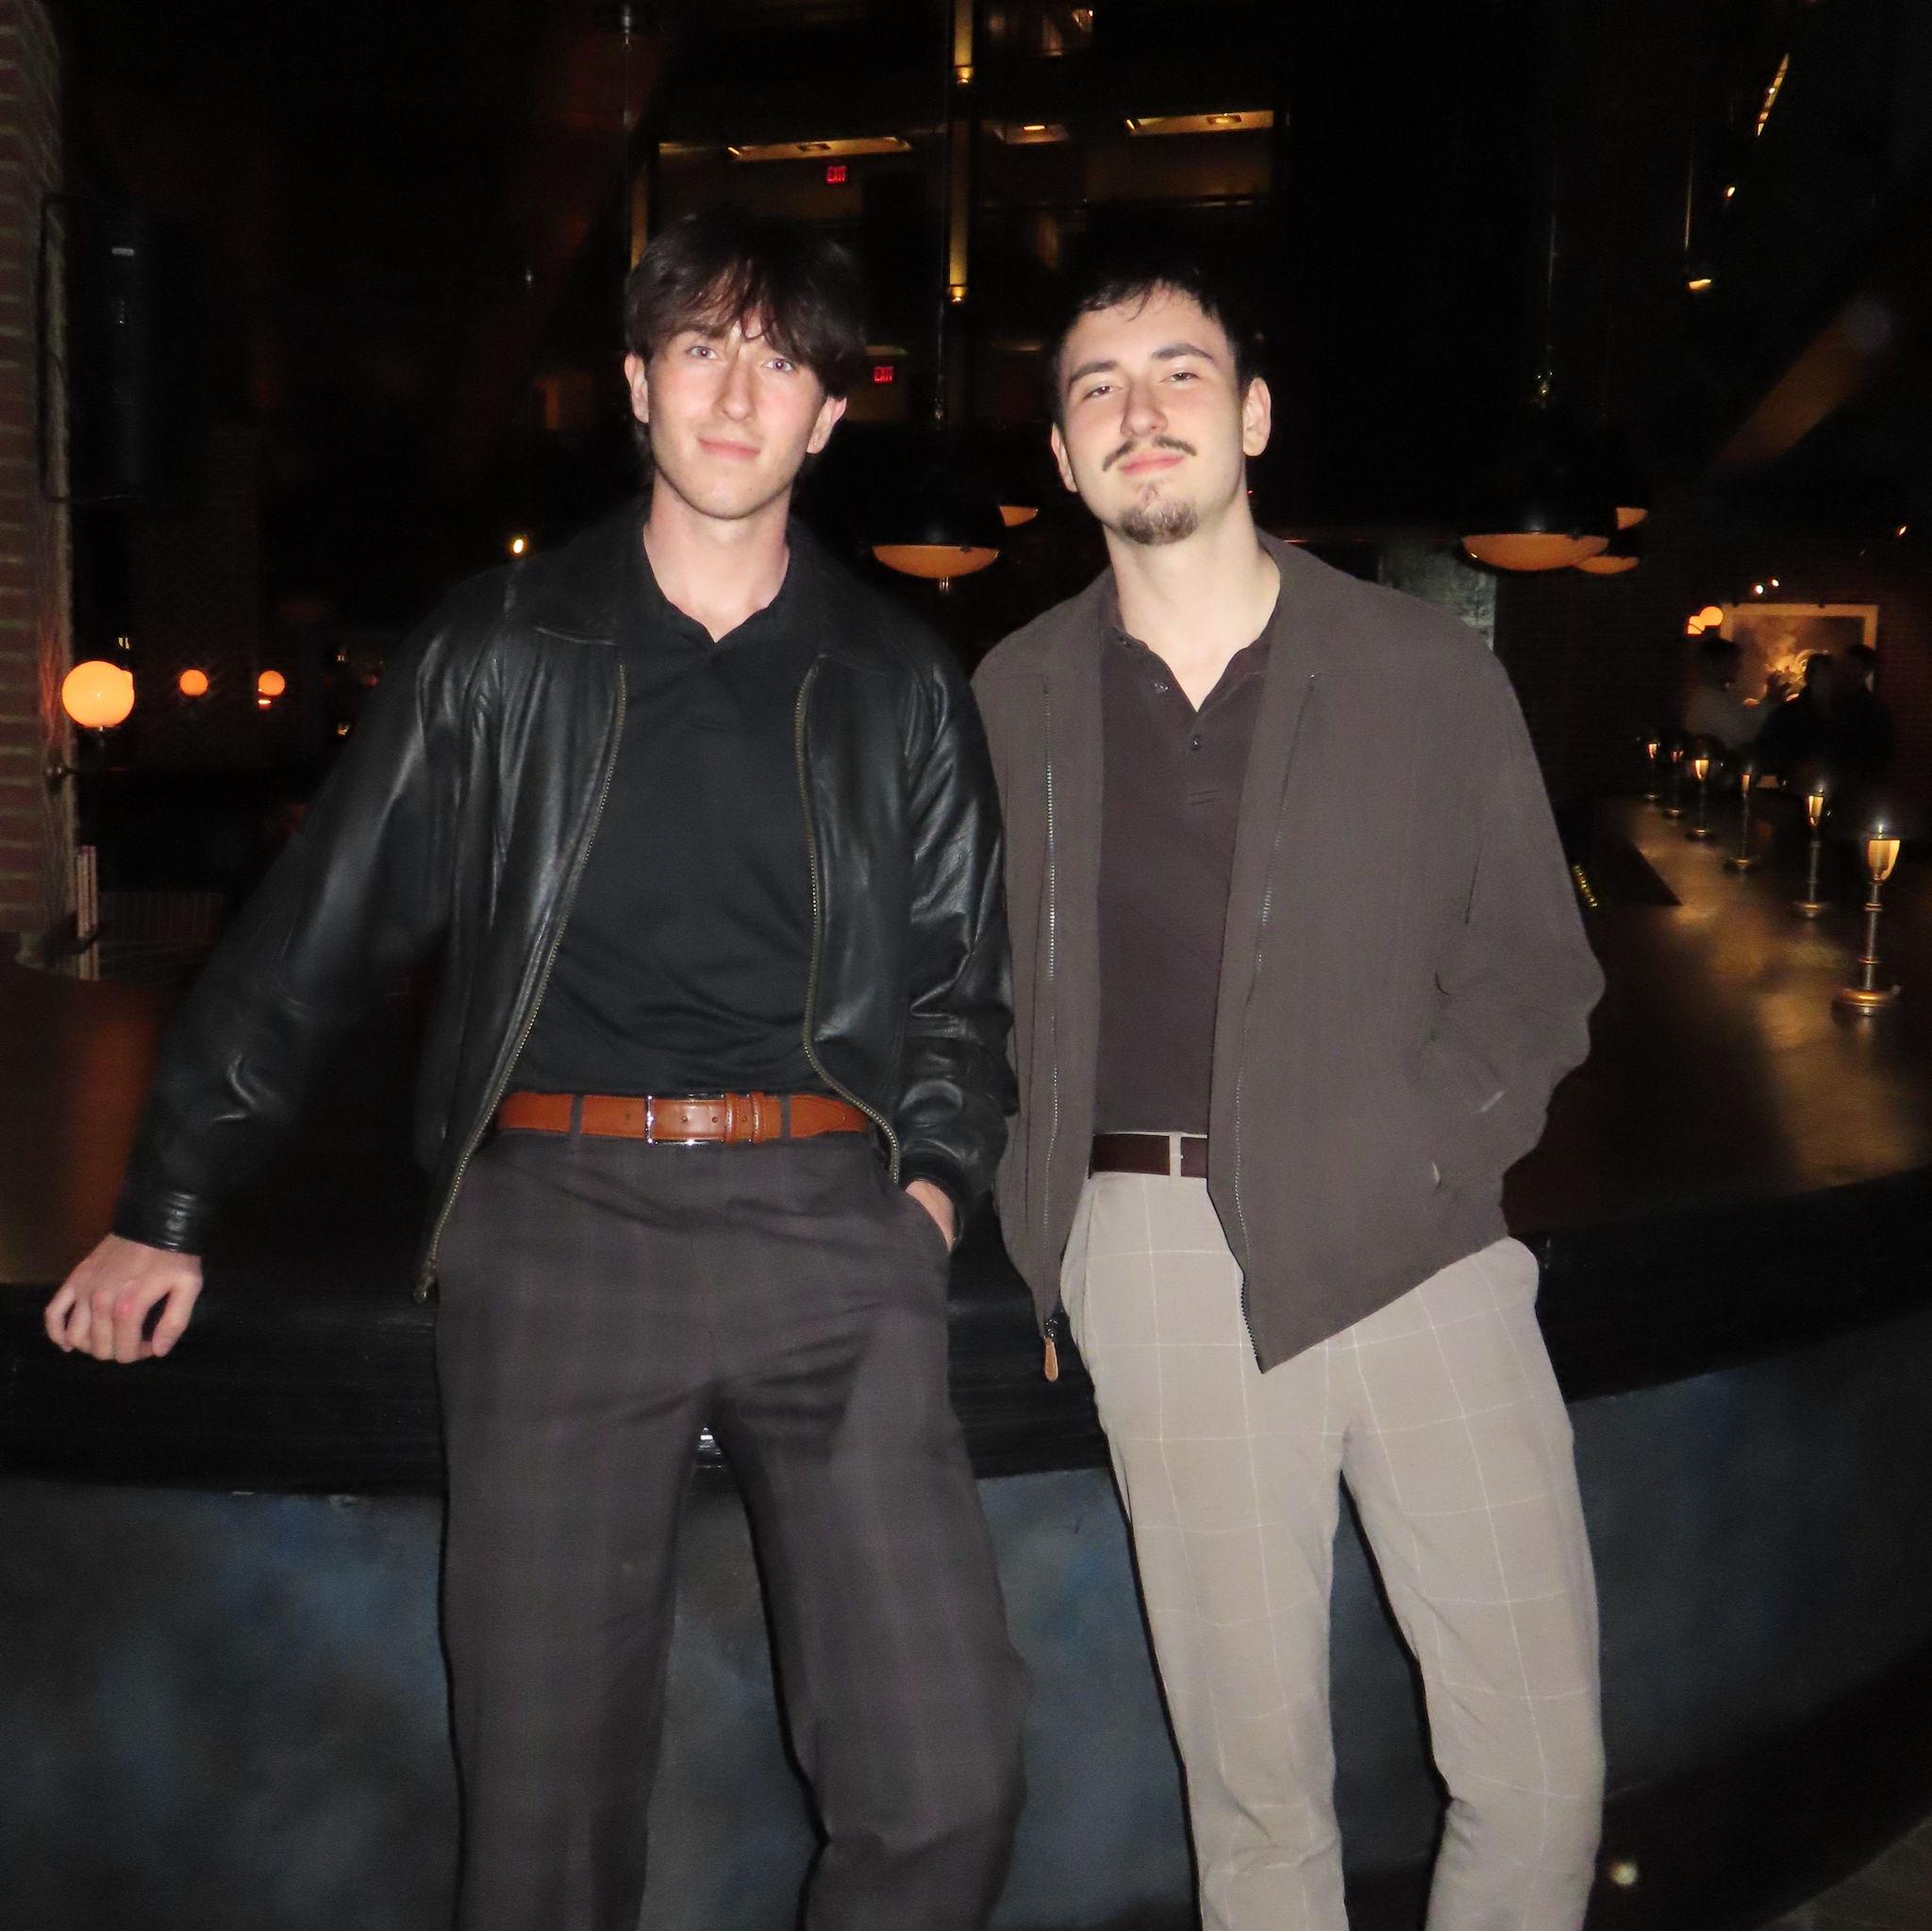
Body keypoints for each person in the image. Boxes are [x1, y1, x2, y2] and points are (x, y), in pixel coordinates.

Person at [45, 208, 1027, 1931]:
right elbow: (317, 930)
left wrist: (926, 1202)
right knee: (542, 1829)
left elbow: (961, 994)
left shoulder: (898, 682)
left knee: (946, 1784)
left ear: (828, 412)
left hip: (830, 1234)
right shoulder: (498, 647)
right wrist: (169, 1198)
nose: (736, 393)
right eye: (701, 349)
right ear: (637, 382)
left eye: (779, 360)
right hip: (563, 1222)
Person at [973, 248, 1607, 1931]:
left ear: (1252, 415)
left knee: (1541, 1769)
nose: (1140, 410)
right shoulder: (1009, 700)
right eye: (1097, 388)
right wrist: (1031, 1217)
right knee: (1257, 1807)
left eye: (1180, 372)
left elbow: (1535, 972)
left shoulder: (1423, 670)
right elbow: (953, 997)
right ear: (1063, 456)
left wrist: (1420, 1151)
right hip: (1157, 1258)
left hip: (1426, 1254)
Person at [1683, 634, 1776, 750]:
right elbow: (1746, 735)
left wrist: (1769, 700)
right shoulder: (1708, 701)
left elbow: (1748, 719)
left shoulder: (1721, 696)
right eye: (1732, 661)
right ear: (1714, 665)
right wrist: (1770, 700)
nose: (1738, 666)